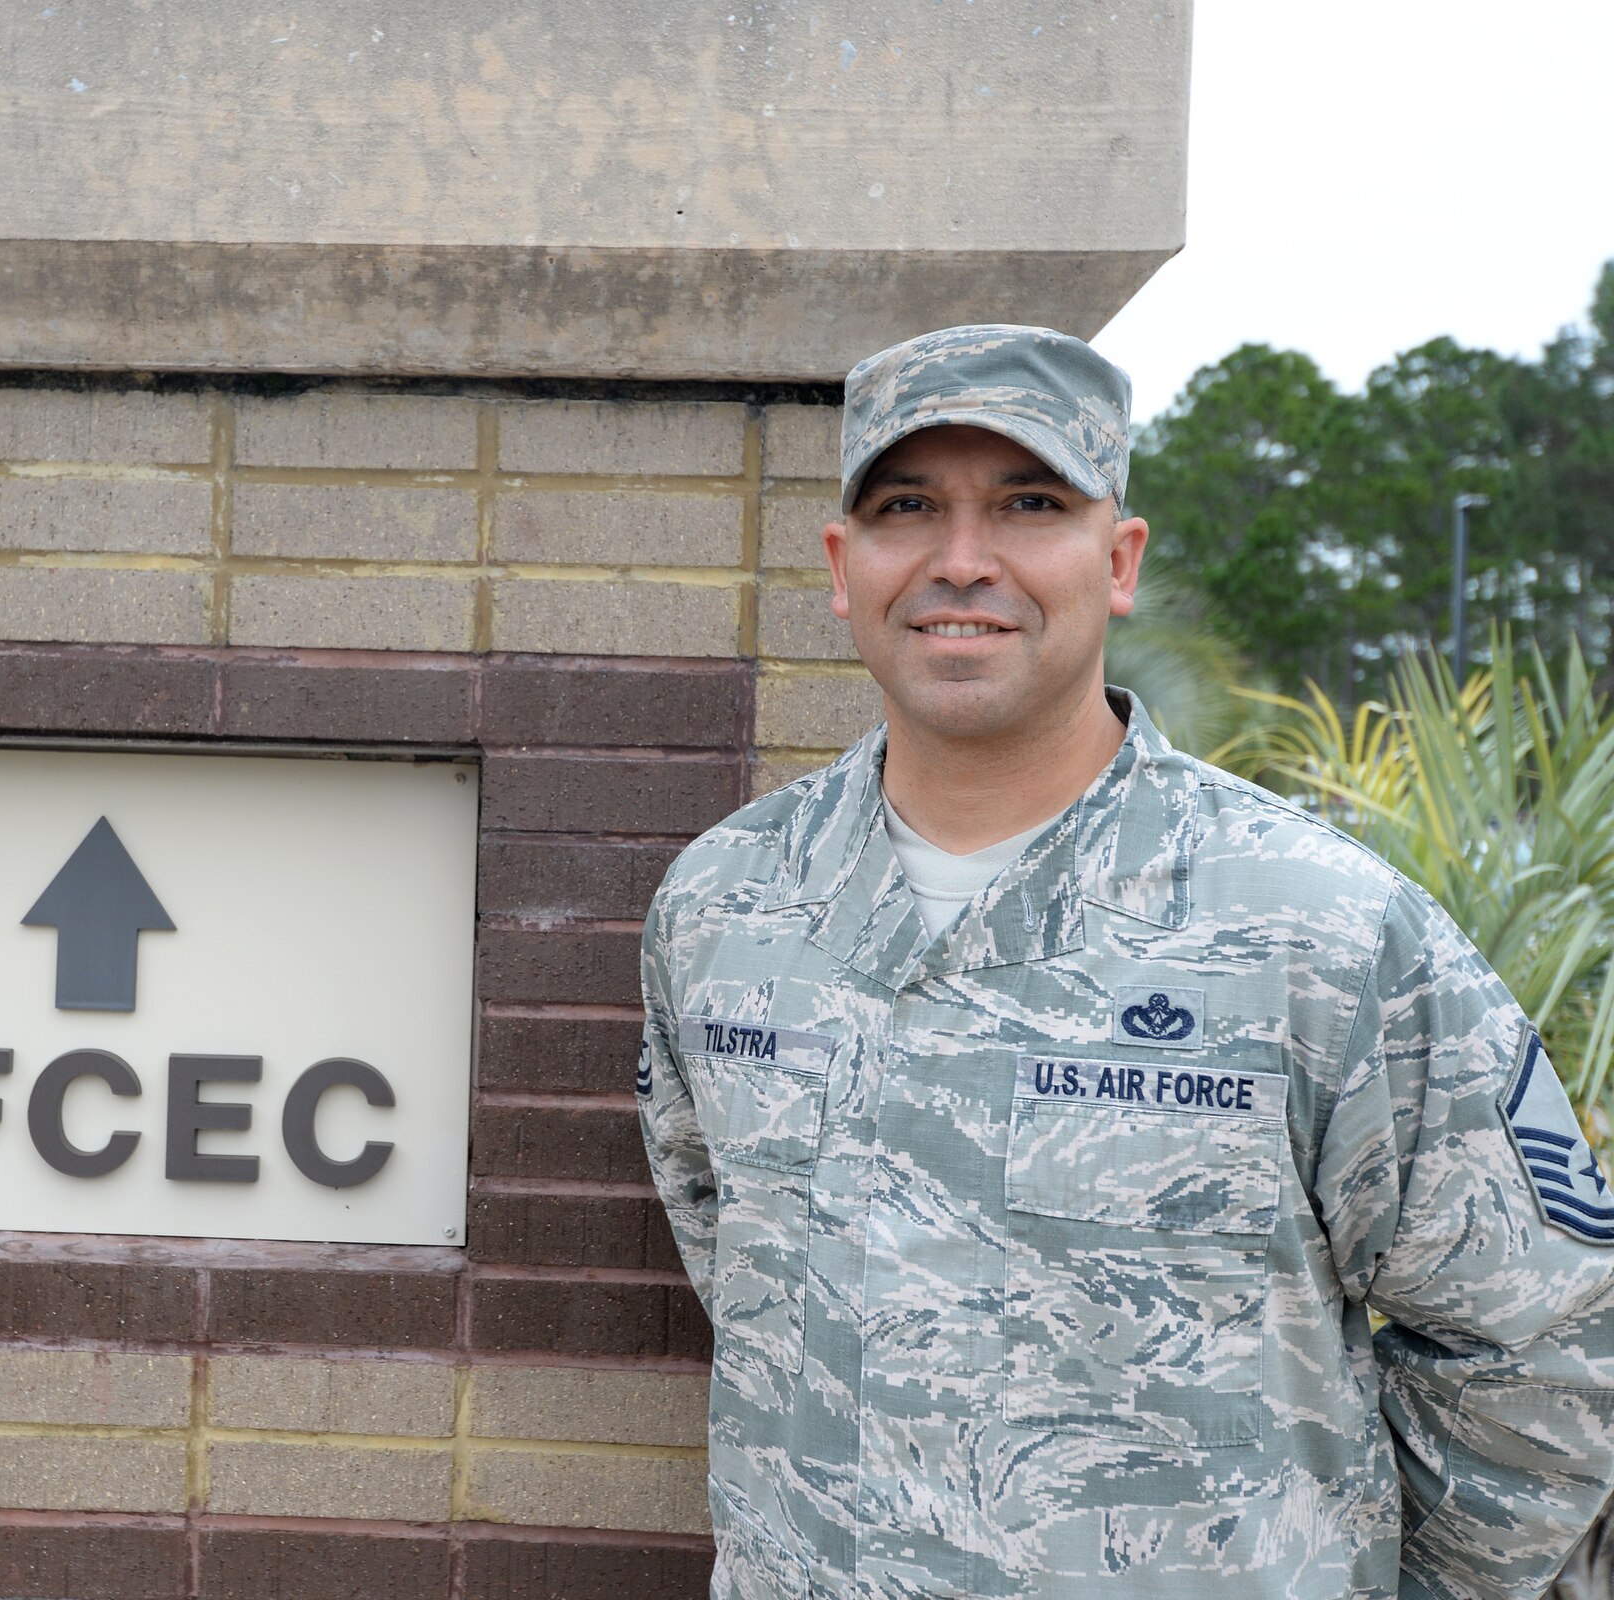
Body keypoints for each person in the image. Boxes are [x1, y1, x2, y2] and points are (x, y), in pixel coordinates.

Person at [636, 324, 1614, 1600]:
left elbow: (1540, 1356)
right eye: (905, 506)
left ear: (1118, 559)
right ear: (840, 564)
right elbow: (728, 1238)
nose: (961, 559)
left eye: (1028, 503)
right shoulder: (723, 908)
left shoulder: (1315, 933)